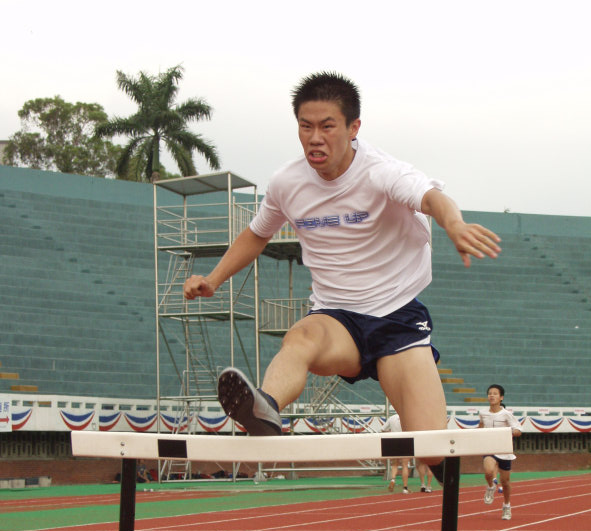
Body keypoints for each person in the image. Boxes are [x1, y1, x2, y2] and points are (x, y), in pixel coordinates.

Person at [183, 72, 501, 475]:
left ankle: (438, 457)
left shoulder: (381, 172)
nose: (315, 138)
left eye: (327, 126)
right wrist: (213, 279)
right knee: (300, 337)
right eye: (305, 126)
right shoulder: (286, 183)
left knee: (431, 450)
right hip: (337, 318)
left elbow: (432, 198)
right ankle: (264, 408)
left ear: (353, 128)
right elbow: (257, 234)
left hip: (396, 317)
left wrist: (454, 224)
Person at [478, 385, 522, 520]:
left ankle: (507, 505)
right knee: (488, 471)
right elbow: (480, 426)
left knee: (505, 482)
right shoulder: (483, 413)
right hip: (489, 448)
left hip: (504, 450)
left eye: (495, 394)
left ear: (501, 397)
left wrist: (512, 431)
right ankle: (491, 486)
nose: (492, 395)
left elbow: (518, 430)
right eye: (490, 393)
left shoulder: (506, 414)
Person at [381, 414, 410, 493]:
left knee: (394, 464)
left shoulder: (392, 418)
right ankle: (405, 488)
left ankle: (393, 480)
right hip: (405, 441)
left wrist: (390, 433)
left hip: (394, 441)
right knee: (405, 465)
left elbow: (382, 429)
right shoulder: (406, 417)